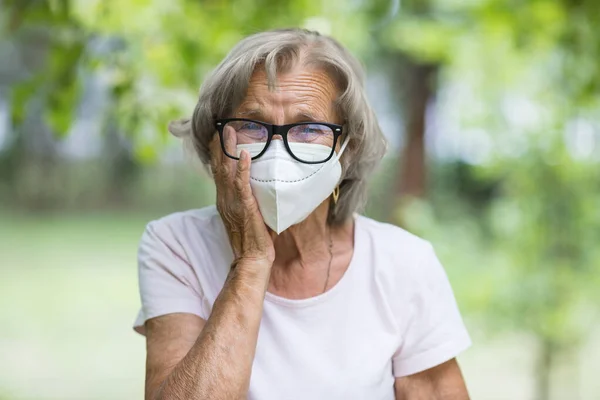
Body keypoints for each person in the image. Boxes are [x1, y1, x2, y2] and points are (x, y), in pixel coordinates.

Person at [133, 28, 471, 400]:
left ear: (347, 149)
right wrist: (251, 262)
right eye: (251, 125)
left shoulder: (402, 263)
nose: (278, 150)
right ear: (216, 143)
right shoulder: (176, 245)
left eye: (309, 128)